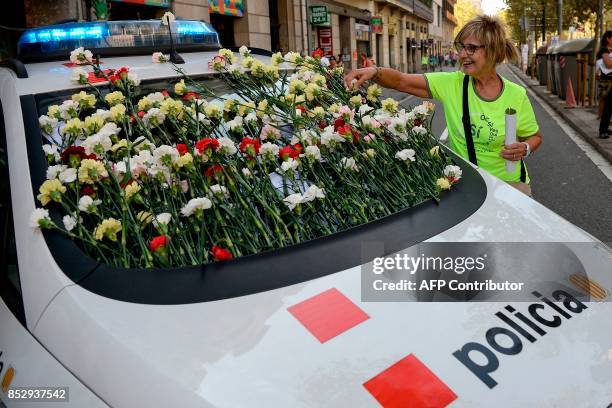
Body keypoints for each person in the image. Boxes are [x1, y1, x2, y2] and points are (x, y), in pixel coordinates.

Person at [345, 15, 542, 196]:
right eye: (461, 46)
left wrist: (525, 148)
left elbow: (534, 136)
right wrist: (375, 71)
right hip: (469, 185)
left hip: (511, 186)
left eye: (472, 48)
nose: (463, 54)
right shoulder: (452, 84)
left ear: (492, 51)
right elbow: (401, 81)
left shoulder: (516, 94)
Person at [597, 31, 612, 139]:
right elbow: (608, 64)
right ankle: (603, 130)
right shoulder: (604, 50)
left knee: (610, 106)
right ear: (608, 38)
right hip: (607, 83)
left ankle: (605, 128)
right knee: (607, 106)